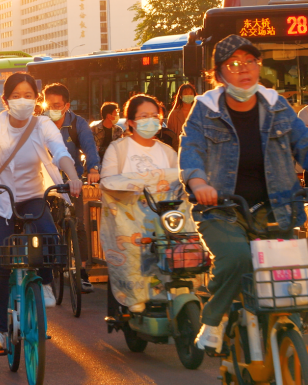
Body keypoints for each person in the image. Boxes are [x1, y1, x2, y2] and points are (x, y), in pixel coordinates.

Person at [179, 35, 308, 353]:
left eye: (250, 61)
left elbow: (303, 142)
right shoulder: (204, 110)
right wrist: (198, 184)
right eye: (234, 64)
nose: (244, 69)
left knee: (295, 274)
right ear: (219, 75)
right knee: (236, 257)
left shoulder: (277, 105)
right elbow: (191, 150)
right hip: (223, 210)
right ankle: (213, 320)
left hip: (277, 209)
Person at [0, 73, 82, 352]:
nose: (22, 100)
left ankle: (43, 282)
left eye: (28, 95)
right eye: (16, 95)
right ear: (5, 100)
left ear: (36, 99)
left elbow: (59, 150)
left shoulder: (43, 124)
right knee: (0, 263)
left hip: (33, 197)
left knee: (49, 239)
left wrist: (73, 175)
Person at [101, 94, 178, 317]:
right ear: (131, 122)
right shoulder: (118, 149)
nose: (150, 120)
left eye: (155, 116)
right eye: (144, 116)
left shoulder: (167, 151)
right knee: (135, 245)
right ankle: (135, 294)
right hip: (130, 219)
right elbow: (108, 181)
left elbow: (181, 181)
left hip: (165, 218)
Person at [42, 83, 101, 293]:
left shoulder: (78, 123)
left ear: (67, 105)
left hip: (71, 181)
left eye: (57, 105)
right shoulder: (38, 123)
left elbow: (90, 148)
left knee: (79, 225)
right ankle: (46, 271)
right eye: (49, 104)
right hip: (43, 181)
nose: (52, 108)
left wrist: (93, 168)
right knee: (43, 226)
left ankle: (82, 272)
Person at [166, 83, 197, 149]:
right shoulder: (174, 114)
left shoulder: (198, 112)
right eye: (185, 94)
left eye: (191, 93)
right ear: (180, 96)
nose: (188, 96)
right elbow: (170, 136)